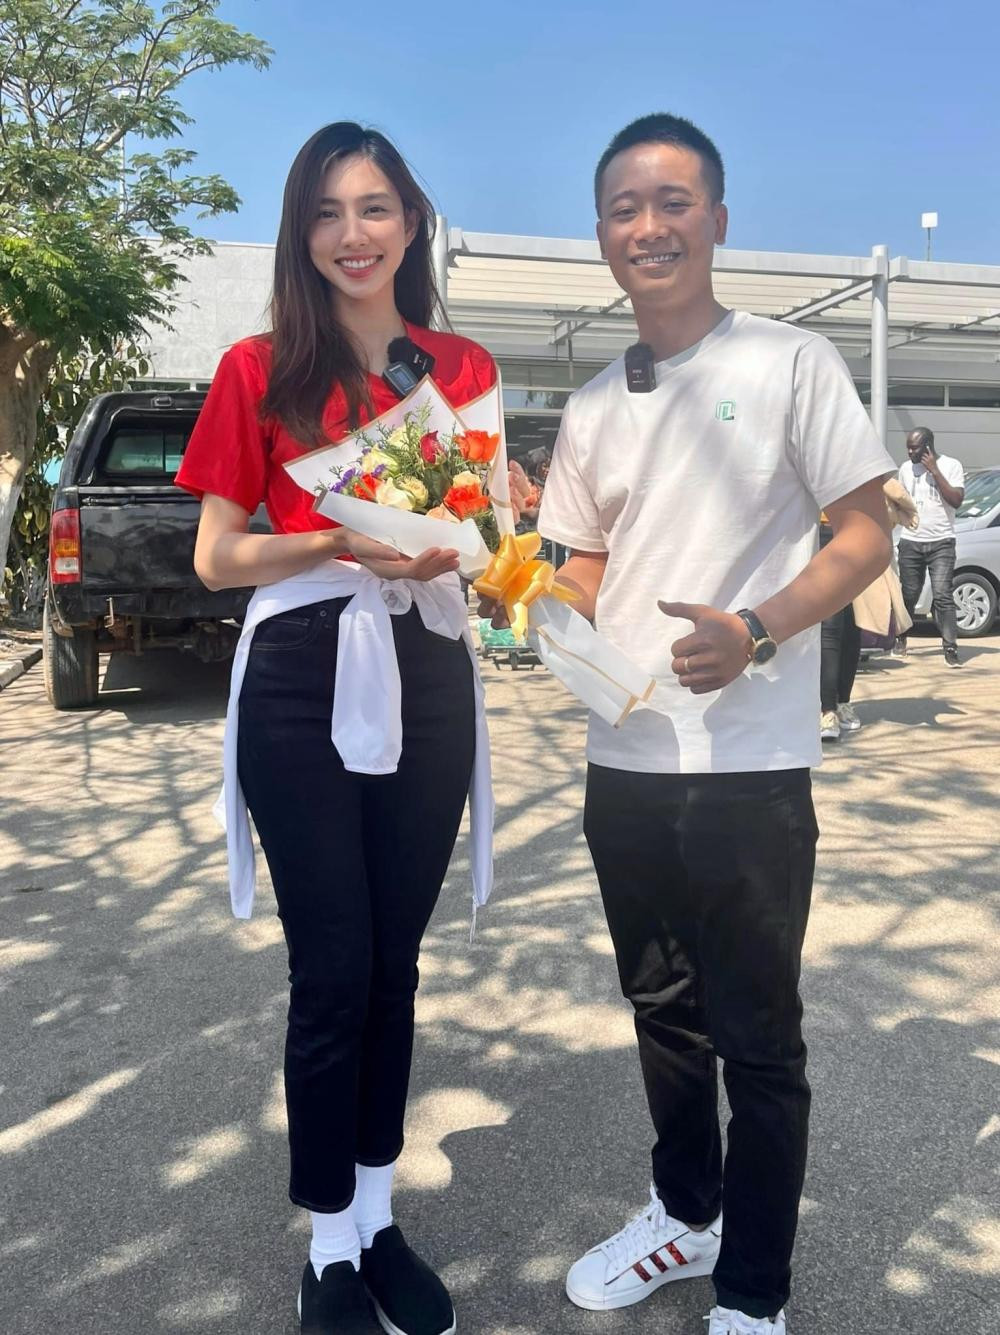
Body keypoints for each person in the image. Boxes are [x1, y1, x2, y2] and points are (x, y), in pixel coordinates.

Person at [532, 113, 894, 1335]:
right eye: (624, 207)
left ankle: (753, 1293)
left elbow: (864, 534)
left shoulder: (789, 363)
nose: (649, 225)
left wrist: (759, 628)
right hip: (623, 758)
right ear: (601, 234)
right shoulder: (592, 404)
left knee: (759, 1038)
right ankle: (686, 1216)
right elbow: (585, 564)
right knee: (661, 1012)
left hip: (749, 766)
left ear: (718, 220)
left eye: (673, 201)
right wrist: (538, 604)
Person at [175, 122, 497, 1335]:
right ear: (298, 234)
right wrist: (336, 539)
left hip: (428, 666)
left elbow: (483, 530)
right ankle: (326, 1249)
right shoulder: (259, 368)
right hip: (304, 672)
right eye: (325, 212)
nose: (350, 235)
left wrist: (486, 557)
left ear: (410, 223)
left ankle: (375, 1218)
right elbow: (217, 558)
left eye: (372, 208)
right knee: (334, 968)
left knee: (394, 964)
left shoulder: (457, 366)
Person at [894, 427, 966, 666]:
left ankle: (950, 648)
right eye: (908, 447)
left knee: (943, 594)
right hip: (911, 541)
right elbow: (901, 501)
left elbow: (956, 500)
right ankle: (900, 638)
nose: (909, 452)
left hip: (941, 542)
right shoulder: (906, 469)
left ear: (927, 446)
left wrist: (934, 470)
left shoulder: (951, 465)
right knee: (909, 593)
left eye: (914, 448)